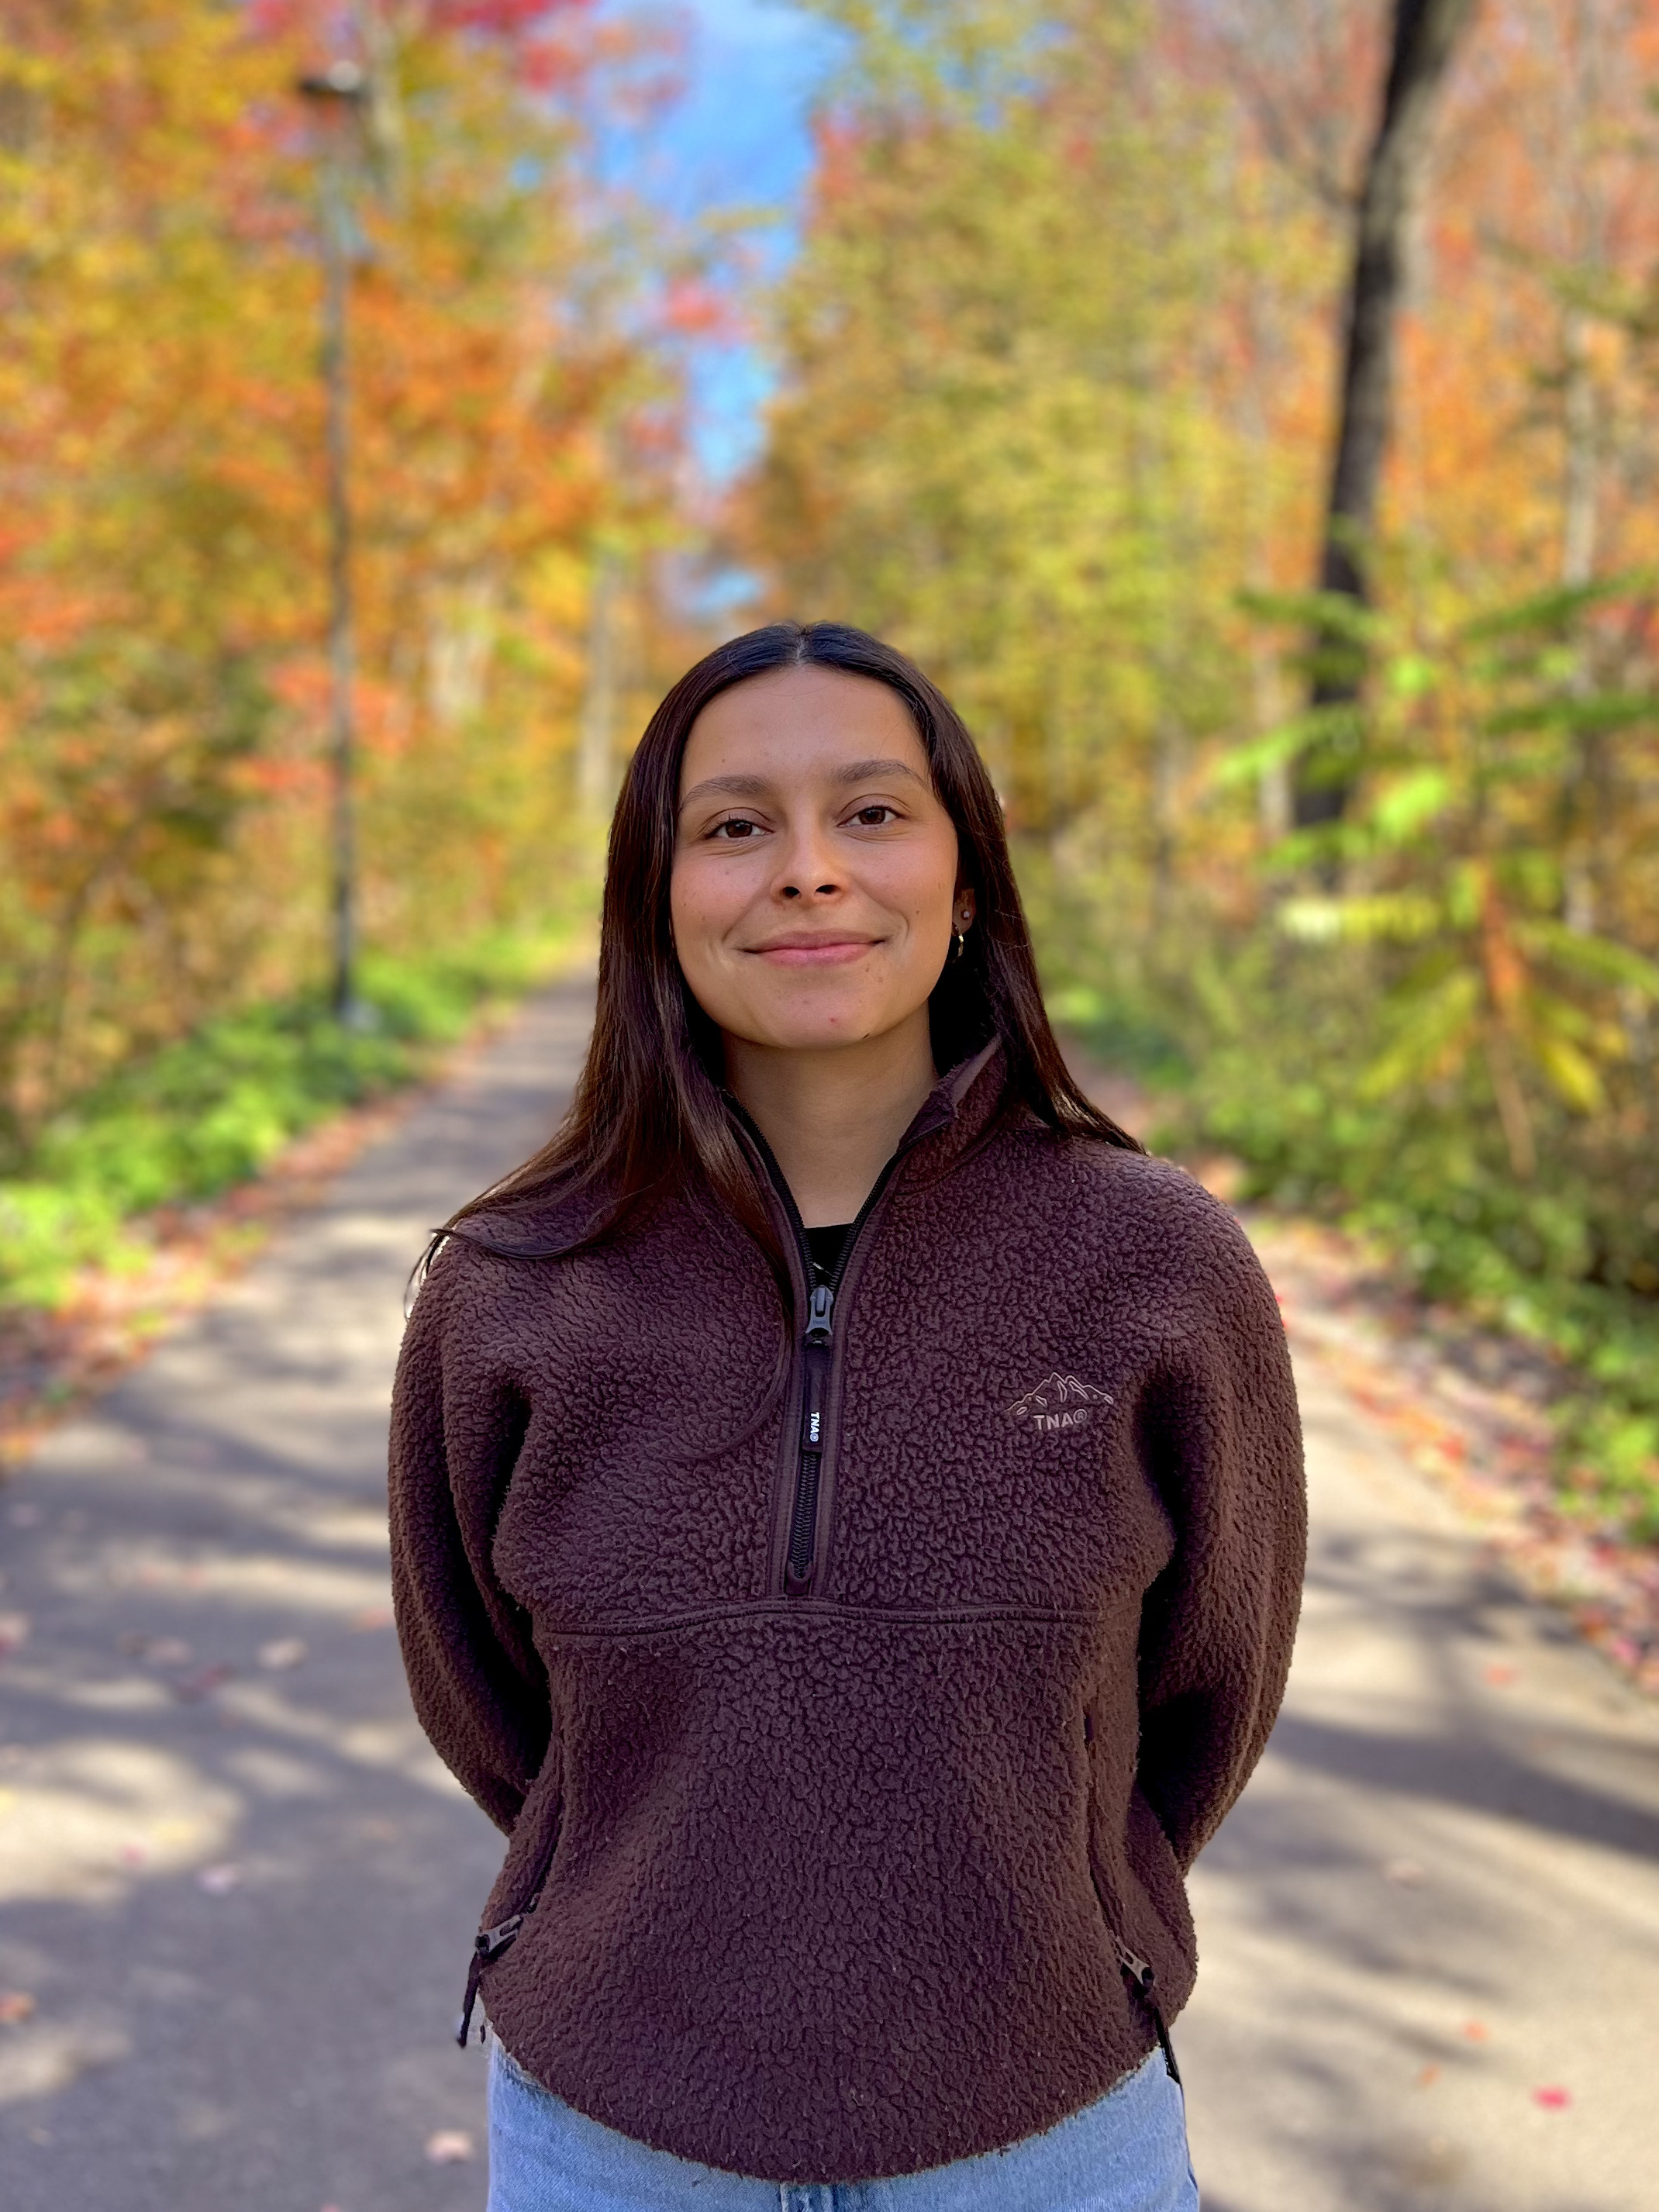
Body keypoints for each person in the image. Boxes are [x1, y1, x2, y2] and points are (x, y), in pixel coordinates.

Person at [388, 621, 1305, 2212]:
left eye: (871, 812)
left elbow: (1206, 1690)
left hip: (1046, 2131)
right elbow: (484, 1701)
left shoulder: (1155, 1265)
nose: (806, 870)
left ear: (966, 878)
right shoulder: (509, 1285)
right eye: (735, 825)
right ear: (654, 894)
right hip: (611, 2134)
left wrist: (1077, 1904)